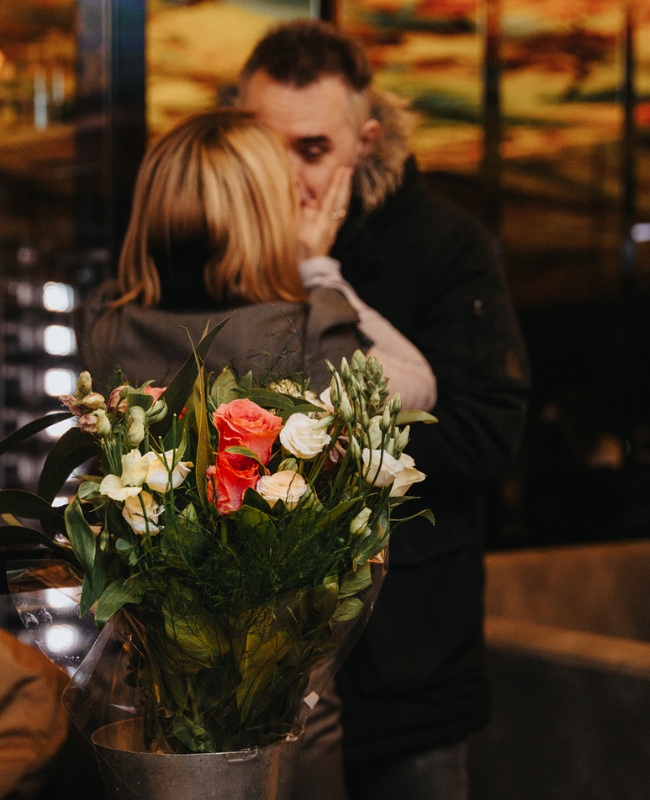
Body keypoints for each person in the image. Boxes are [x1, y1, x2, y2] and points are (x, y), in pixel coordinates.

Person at [239, 20, 531, 800]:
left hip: (410, 670)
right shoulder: (219, 245)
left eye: (313, 149)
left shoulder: (444, 246)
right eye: (269, 146)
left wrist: (319, 446)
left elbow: (486, 435)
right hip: (260, 679)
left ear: (364, 142)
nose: (292, 176)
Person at [75, 109, 435, 414]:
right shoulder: (306, 334)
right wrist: (318, 270)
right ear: (267, 218)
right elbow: (420, 384)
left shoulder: (104, 322)